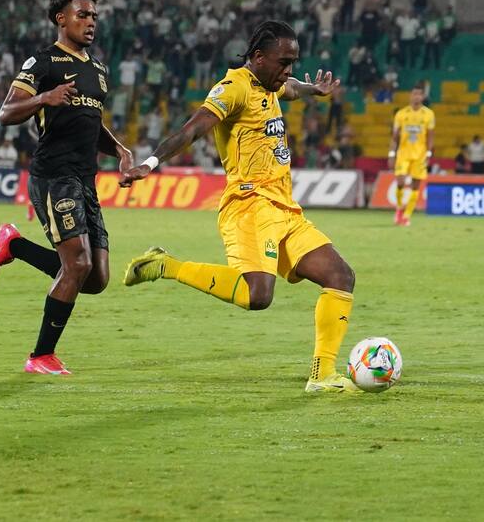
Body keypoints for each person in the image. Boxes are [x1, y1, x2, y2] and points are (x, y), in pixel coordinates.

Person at [120, 21, 361, 393]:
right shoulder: (233, 88)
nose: (289, 70)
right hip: (249, 206)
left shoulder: (273, 83)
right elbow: (193, 128)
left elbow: (291, 89)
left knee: (340, 276)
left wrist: (313, 89)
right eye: (284, 62)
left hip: (284, 207)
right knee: (257, 296)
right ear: (258, 57)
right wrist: (150, 164)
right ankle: (166, 265)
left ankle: (322, 374)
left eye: (293, 62)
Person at [0, 0, 133, 376]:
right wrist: (42, 99)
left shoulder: (98, 70)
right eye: (82, 14)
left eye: (94, 15)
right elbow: (6, 112)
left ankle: (13, 244)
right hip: (53, 176)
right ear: (61, 19)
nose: (91, 21)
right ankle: (40, 356)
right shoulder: (43, 63)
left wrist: (120, 150)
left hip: (85, 180)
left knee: (95, 278)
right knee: (77, 264)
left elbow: (91, 121)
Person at [389, 85, 436, 227]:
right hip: (403, 153)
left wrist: (429, 153)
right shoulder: (401, 114)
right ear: (410, 95)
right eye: (414, 94)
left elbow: (430, 136)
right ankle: (399, 208)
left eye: (419, 94)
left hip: (420, 155)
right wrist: (391, 153)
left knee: (416, 186)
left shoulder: (428, 114)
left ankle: (407, 215)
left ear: (423, 97)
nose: (416, 97)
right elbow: (394, 137)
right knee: (400, 181)